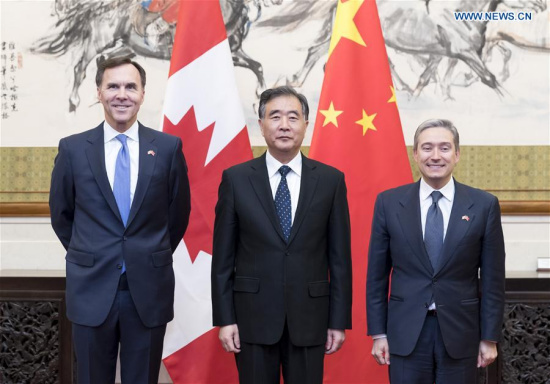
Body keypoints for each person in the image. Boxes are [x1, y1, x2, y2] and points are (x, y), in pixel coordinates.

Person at [49, 56, 191, 384]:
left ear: (143, 94)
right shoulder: (73, 149)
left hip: (147, 288)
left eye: (130, 86)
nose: (121, 94)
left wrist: (147, 252)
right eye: (113, 86)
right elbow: (62, 215)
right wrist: (91, 250)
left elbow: (178, 214)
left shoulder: (168, 148)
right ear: (98, 92)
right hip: (91, 287)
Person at [211, 86, 352, 384]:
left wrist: (338, 321)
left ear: (305, 125)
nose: (284, 125)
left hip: (310, 319)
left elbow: (340, 260)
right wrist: (225, 319)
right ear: (261, 125)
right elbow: (223, 260)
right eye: (275, 117)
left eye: (293, 117)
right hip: (252, 318)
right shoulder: (236, 179)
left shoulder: (330, 181)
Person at [366, 119, 505, 383]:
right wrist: (378, 333)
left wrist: (489, 337)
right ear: (415, 154)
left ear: (457, 154)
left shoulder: (484, 205)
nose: (436, 156)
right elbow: (376, 276)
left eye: (444, 148)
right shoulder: (389, 203)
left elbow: (493, 280)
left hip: (461, 333)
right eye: (427, 148)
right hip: (406, 332)